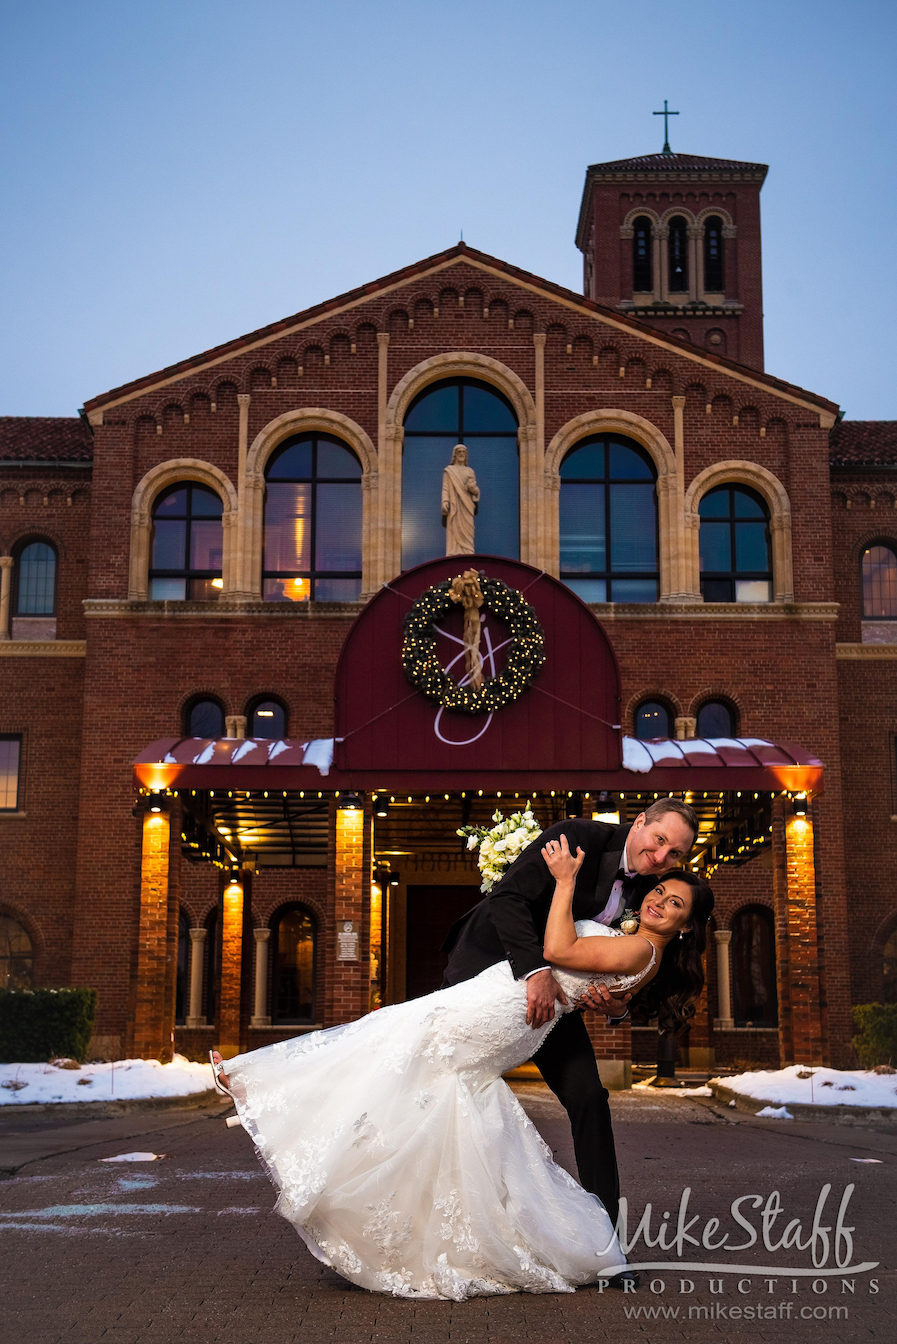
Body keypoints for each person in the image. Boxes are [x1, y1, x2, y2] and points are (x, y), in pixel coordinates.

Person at [211, 840, 713, 1302]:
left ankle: (264, 1086)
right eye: (663, 890)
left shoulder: (640, 943)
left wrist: (562, 881)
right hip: (505, 997)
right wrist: (613, 999)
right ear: (643, 827)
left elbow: (560, 951)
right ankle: (274, 1094)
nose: (660, 896)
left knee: (395, 1041)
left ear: (686, 924)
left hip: (510, 1007)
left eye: (674, 902)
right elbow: (609, 979)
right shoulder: (636, 923)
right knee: (416, 1069)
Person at [441, 798, 698, 1239]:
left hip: (556, 1004)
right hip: (488, 973)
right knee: (452, 1089)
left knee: (589, 1098)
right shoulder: (578, 837)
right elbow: (507, 897)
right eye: (658, 841)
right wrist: (535, 972)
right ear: (639, 822)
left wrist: (618, 1006)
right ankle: (454, 1221)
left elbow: (641, 959)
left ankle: (607, 1240)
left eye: (674, 853)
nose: (660, 858)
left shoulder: (654, 891)